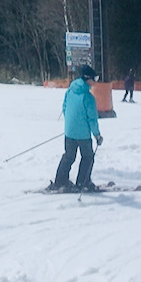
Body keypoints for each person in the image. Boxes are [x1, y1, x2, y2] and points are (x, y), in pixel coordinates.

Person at [50, 64, 103, 192]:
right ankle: (83, 182)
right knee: (88, 157)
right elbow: (92, 119)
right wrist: (97, 135)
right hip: (83, 135)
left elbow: (65, 108)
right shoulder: (88, 97)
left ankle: (60, 181)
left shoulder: (70, 91)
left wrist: (71, 124)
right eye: (94, 78)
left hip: (69, 132)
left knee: (69, 156)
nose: (95, 81)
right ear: (88, 79)